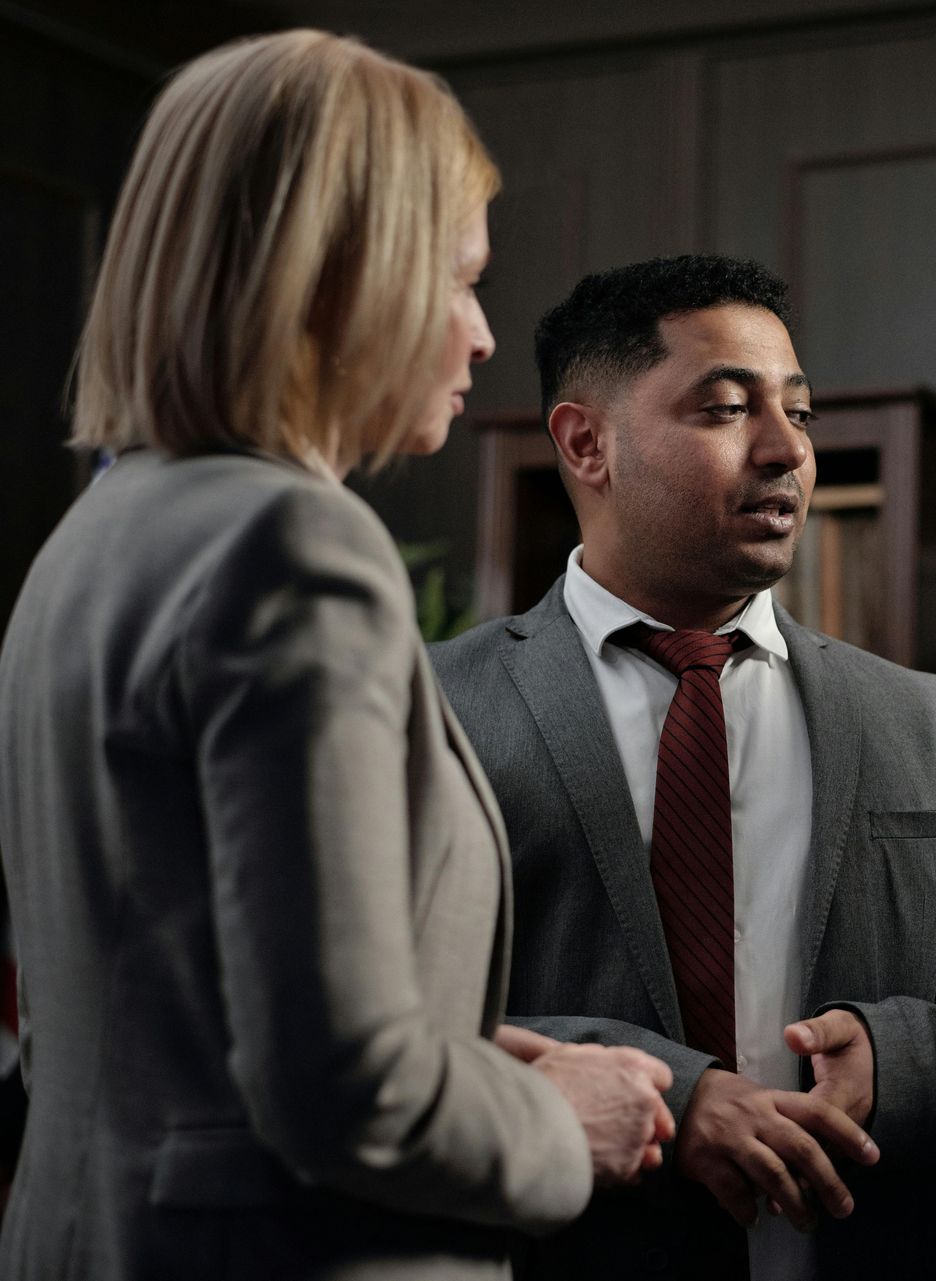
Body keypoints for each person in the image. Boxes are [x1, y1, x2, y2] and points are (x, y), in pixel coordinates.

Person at [0, 31, 676, 1280]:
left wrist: (469, 1052)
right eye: (462, 280)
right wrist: (561, 1119)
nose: (482, 336)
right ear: (338, 273)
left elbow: (153, 1009)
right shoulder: (295, 547)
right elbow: (342, 1091)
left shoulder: (92, 541)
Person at [429, 253, 936, 1280]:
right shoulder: (429, 709)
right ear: (586, 442)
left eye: (801, 411)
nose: (786, 450)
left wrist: (892, 1063)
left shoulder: (926, 719)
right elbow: (378, 1019)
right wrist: (670, 1092)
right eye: (728, 408)